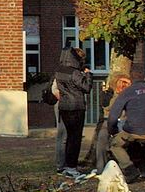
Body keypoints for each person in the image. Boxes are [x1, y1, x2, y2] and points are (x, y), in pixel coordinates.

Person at [106, 78, 145, 181]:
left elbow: (113, 116)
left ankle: (129, 169)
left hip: (134, 132)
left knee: (115, 144)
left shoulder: (127, 92)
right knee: (139, 144)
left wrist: (112, 130)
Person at [55, 47, 92, 178]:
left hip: (64, 106)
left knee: (68, 137)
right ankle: (72, 167)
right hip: (76, 106)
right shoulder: (74, 73)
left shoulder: (59, 71)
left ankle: (64, 166)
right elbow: (86, 87)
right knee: (75, 138)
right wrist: (88, 74)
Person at [95, 75, 132, 172]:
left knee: (106, 139)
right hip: (113, 121)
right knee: (102, 138)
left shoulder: (132, 97)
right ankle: (101, 168)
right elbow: (107, 109)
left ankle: (103, 167)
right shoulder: (113, 96)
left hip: (124, 123)